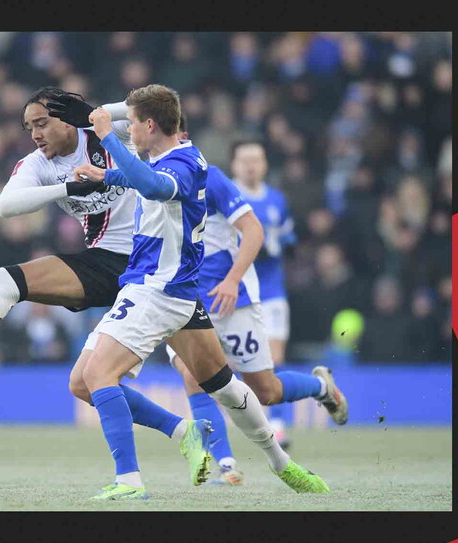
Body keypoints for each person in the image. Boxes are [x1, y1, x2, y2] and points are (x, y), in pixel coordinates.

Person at [0, 87, 217, 490]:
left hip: (156, 265)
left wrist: (94, 113)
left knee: (223, 382)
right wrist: (68, 188)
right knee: (9, 282)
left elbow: (156, 106)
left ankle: (224, 440)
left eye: (42, 123)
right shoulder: (37, 164)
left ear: (67, 120)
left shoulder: (110, 133)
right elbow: (5, 206)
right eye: (28, 127)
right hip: (106, 265)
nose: (35, 134)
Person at [71, 84, 329, 499]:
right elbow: (147, 181)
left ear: (150, 125)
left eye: (132, 124)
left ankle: (129, 480)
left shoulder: (184, 164)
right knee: (218, 384)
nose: (127, 131)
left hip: (157, 290)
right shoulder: (170, 160)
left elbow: (155, 187)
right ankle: (280, 462)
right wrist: (107, 175)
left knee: (97, 376)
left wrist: (105, 137)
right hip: (175, 293)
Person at [166, 119, 349, 486]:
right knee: (192, 376)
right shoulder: (147, 178)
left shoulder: (211, 178)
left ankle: (320, 387)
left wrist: (232, 280)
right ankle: (226, 466)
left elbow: (256, 232)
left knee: (265, 390)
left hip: (231, 298)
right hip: (184, 298)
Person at [231, 139, 349, 433]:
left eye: (256, 159)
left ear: (265, 165)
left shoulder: (277, 200)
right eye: (245, 160)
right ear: (234, 165)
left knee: (274, 358)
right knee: (230, 362)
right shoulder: (226, 196)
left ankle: (278, 423)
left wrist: (276, 244)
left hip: (270, 290)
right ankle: (242, 416)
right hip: (234, 290)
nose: (250, 166)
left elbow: (288, 237)